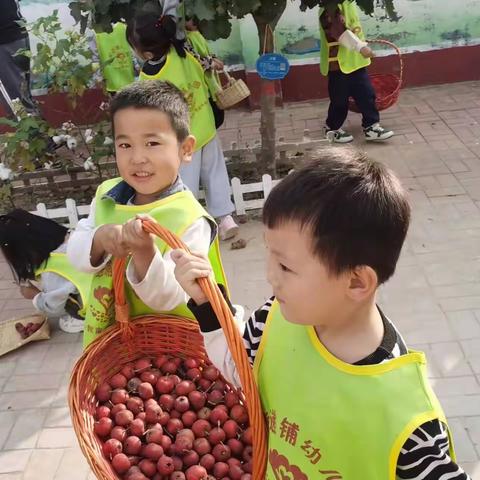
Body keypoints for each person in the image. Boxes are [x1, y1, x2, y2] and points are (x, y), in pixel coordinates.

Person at [171, 149, 470, 479]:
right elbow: (240, 366)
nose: (271, 275)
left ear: (356, 281)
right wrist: (207, 303)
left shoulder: (406, 419)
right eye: (270, 256)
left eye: (286, 266)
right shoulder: (275, 318)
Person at [67, 80, 230, 347]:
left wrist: (145, 252)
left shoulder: (189, 218)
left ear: (186, 149)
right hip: (111, 341)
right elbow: (76, 256)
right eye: (125, 146)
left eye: (152, 143)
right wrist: (98, 239)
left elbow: (168, 298)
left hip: (172, 347)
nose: (137, 158)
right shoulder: (107, 196)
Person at [126, 6, 239, 241]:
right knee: (216, 173)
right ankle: (226, 219)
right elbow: (201, 51)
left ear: (144, 53)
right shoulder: (185, 52)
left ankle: (194, 226)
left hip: (181, 140)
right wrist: (192, 32)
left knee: (185, 185)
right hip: (206, 127)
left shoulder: (149, 76)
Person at [0, 209, 91, 333]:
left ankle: (84, 319)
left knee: (65, 321)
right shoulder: (72, 236)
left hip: (95, 306)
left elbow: (54, 308)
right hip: (105, 289)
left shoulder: (54, 266)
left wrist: (34, 294)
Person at [320, 0, 394, 143]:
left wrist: (361, 44)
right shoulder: (329, 6)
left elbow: (352, 27)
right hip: (338, 64)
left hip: (355, 62)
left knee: (367, 95)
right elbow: (338, 31)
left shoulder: (349, 3)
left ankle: (371, 127)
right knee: (339, 100)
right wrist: (361, 47)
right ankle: (332, 128)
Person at [0, 0, 38, 116]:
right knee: (22, 98)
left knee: (16, 101)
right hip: (14, 33)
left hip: (6, 37)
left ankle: (34, 133)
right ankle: (39, 132)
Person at [94, 23, 136, 95]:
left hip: (126, 82)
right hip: (115, 83)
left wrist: (98, 77)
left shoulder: (124, 27)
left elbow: (94, 59)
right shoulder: (124, 27)